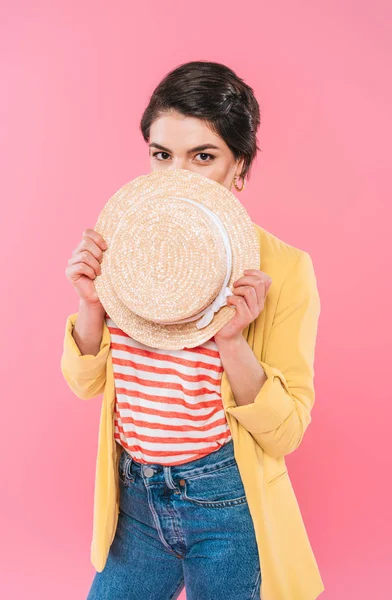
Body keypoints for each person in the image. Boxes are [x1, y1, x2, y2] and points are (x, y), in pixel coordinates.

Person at [62, 60, 324, 600]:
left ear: (240, 167)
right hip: (135, 498)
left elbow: (287, 432)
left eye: (203, 156)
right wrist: (91, 305)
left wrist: (232, 342)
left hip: (225, 501)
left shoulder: (287, 270)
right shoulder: (124, 247)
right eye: (163, 156)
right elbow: (85, 383)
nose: (177, 176)